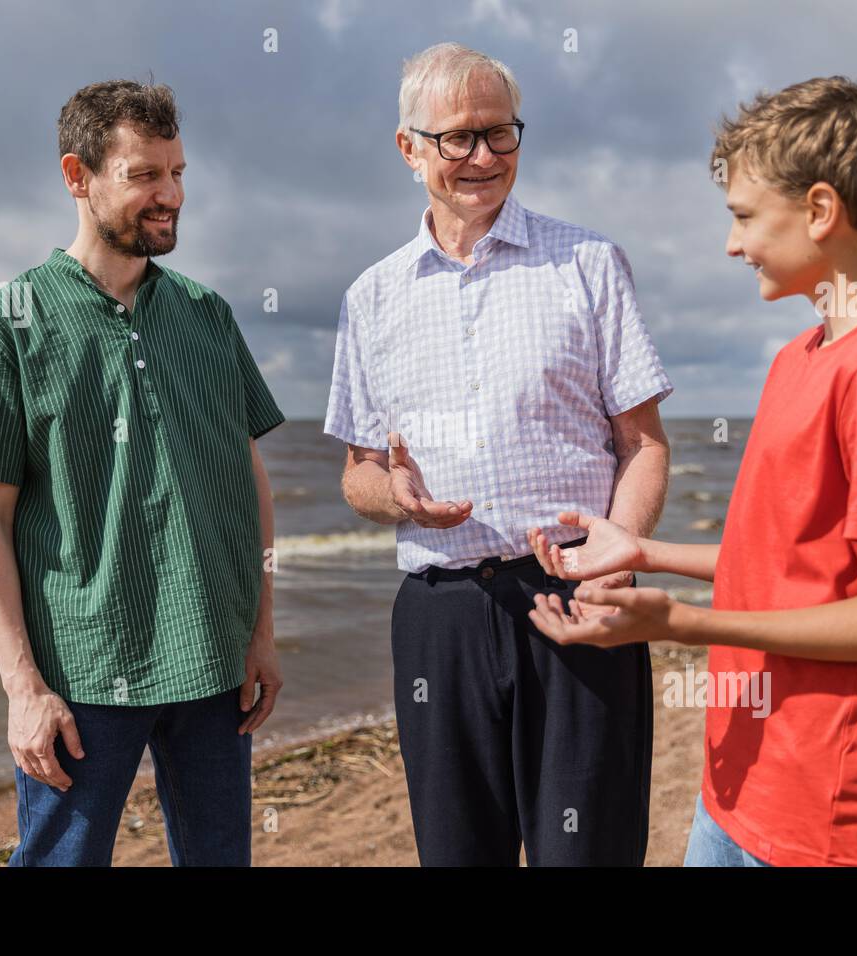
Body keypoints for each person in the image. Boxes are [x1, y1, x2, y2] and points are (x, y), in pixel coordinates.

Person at [527, 72, 857, 866]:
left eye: (743, 218)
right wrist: (646, 554)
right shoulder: (802, 357)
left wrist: (678, 626)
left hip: (828, 813)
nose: (732, 245)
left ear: (822, 210)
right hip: (741, 785)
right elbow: (795, 571)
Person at [324, 43, 674, 865]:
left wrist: (613, 568)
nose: (483, 156)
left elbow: (644, 444)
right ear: (409, 149)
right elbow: (357, 474)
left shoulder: (588, 262)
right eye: (458, 139)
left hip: (574, 598)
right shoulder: (371, 297)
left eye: (500, 134)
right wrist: (396, 496)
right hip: (437, 618)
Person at [0, 79, 286, 866]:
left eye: (179, 173)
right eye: (143, 176)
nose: (170, 196)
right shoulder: (4, 325)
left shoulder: (207, 315)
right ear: (76, 176)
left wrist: (260, 633)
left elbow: (248, 481)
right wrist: (23, 688)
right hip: (82, 673)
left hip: (212, 663)